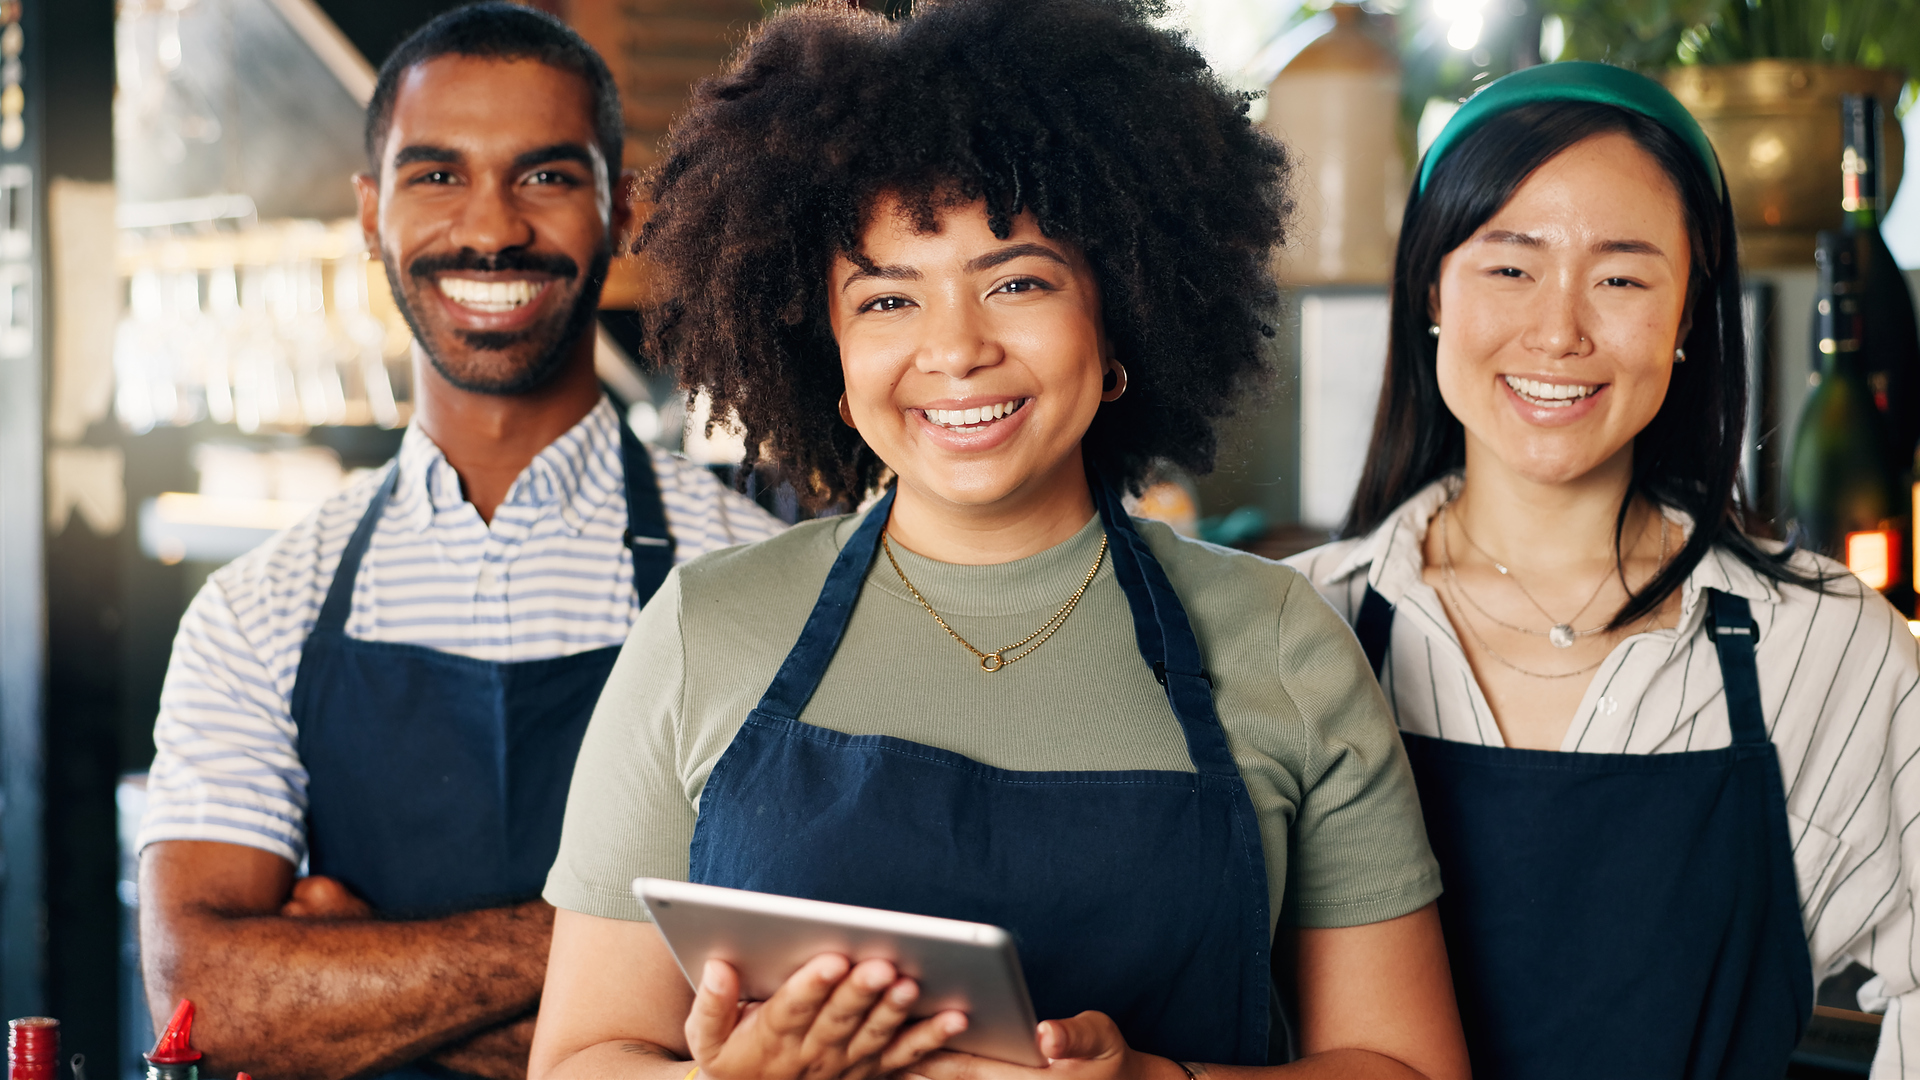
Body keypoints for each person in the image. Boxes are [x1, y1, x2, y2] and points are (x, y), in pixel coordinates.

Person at [527, 3, 1471, 1079]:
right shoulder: (704, 630)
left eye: (1017, 282)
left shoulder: (1283, 642)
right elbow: (579, 1058)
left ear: (1120, 318)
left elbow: (1408, 1067)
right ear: (825, 358)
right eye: (887, 299)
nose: (956, 350)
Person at [136, 7, 783, 1080]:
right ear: (368, 211)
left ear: (624, 210)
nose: (491, 229)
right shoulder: (259, 609)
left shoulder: (752, 580)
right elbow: (204, 998)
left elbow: (786, 990)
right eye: (437, 176)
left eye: (545, 177)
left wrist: (348, 968)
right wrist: (622, 975)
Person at [1285, 62, 1920, 1079]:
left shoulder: (1828, 646)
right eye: (1509, 266)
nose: (1558, 331)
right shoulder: (1292, 631)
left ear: (1687, 321)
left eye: (1622, 276)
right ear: (1432, 292)